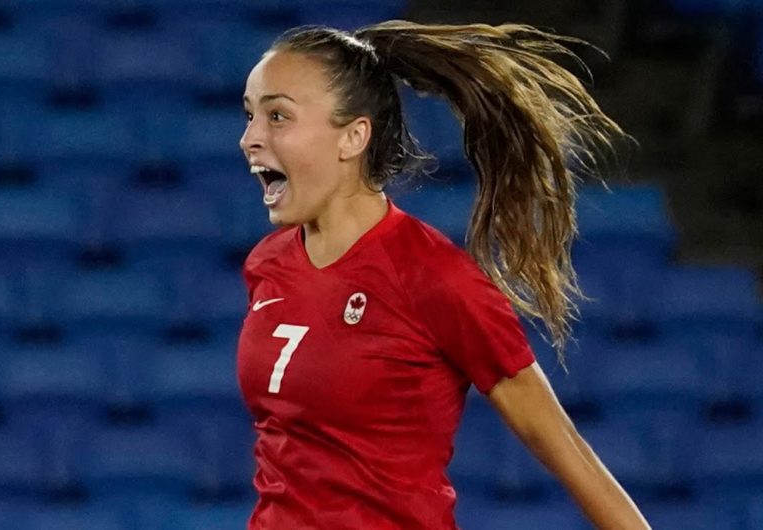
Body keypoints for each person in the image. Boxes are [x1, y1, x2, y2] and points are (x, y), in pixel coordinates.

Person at [235, 20, 650, 529]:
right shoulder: (268, 264)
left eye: (278, 116)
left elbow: (563, 447)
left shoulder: (432, 277)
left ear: (353, 137)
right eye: (250, 115)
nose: (249, 138)